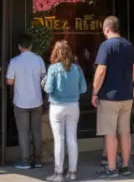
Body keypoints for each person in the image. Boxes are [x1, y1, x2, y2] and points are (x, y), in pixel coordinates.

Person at [92, 16, 134, 178]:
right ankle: (125, 166)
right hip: (126, 96)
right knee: (125, 132)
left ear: (106, 29)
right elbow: (133, 68)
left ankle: (111, 168)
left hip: (109, 97)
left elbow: (101, 71)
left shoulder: (105, 46)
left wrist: (94, 92)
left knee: (110, 133)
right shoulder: (129, 45)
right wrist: (127, 86)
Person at [45, 40, 87, 182]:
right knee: (72, 139)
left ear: (55, 53)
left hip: (57, 106)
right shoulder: (77, 68)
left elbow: (49, 89)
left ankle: (58, 174)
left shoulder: (53, 68)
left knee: (59, 140)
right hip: (73, 106)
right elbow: (84, 89)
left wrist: (43, 83)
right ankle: (72, 172)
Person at [7, 33, 48, 170]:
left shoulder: (14, 61)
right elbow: (44, 78)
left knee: (23, 132)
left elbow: (10, 81)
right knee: (36, 131)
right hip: (37, 100)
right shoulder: (39, 60)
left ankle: (25, 161)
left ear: (19, 47)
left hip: (20, 101)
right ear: (31, 46)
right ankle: (38, 160)